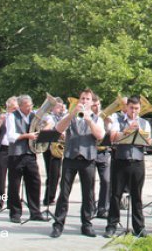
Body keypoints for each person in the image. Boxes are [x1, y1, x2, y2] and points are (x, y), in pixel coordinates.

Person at [50, 89, 105, 238]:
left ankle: (87, 224)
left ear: (92, 102)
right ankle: (58, 225)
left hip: (88, 159)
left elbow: (100, 135)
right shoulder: (71, 116)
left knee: (88, 194)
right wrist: (71, 114)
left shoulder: (97, 118)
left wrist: (88, 119)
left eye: (88, 99)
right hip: (70, 158)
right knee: (64, 193)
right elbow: (58, 129)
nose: (84, 101)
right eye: (82, 98)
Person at [104, 96, 152, 238]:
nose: (134, 111)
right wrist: (127, 130)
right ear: (127, 108)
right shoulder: (117, 118)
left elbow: (149, 142)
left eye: (137, 109)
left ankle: (139, 227)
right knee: (115, 194)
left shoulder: (144, 123)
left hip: (137, 161)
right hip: (121, 160)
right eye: (131, 108)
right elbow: (112, 137)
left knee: (137, 196)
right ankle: (111, 225)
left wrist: (145, 138)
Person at [5, 94, 45, 223]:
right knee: (14, 185)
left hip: (30, 154)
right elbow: (10, 136)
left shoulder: (34, 116)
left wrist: (44, 129)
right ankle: (15, 213)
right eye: (27, 106)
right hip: (16, 155)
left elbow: (45, 125)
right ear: (20, 106)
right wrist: (27, 135)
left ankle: (35, 212)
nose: (30, 108)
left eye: (31, 106)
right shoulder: (12, 116)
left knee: (35, 182)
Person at [0, 96, 18, 211]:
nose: (12, 110)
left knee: (15, 178)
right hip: (3, 149)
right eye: (10, 108)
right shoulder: (1, 115)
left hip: (15, 149)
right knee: (0, 178)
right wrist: (1, 122)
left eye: (14, 108)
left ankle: (12, 202)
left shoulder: (19, 118)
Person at [42, 97, 65, 207]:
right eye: (58, 107)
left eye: (61, 106)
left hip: (58, 147)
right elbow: (45, 129)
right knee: (51, 174)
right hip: (49, 147)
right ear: (52, 108)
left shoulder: (62, 116)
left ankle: (51, 197)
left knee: (56, 174)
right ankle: (48, 198)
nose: (60, 109)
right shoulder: (48, 117)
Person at [91, 95, 111, 219]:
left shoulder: (105, 117)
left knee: (106, 180)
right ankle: (91, 207)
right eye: (94, 104)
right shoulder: (86, 117)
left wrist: (108, 125)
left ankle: (103, 209)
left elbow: (110, 136)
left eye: (98, 104)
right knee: (90, 182)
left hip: (104, 153)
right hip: (91, 152)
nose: (97, 107)